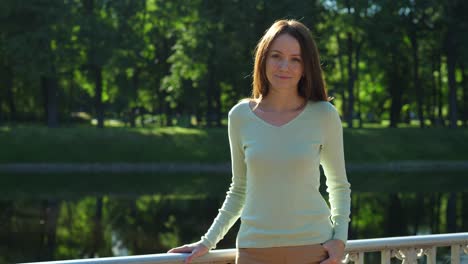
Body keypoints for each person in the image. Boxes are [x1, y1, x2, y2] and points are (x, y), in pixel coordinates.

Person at [168, 19, 351, 264]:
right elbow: (239, 189)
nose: (284, 66)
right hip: (253, 252)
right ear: (263, 58)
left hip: (313, 250)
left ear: (307, 66)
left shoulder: (324, 114)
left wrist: (339, 239)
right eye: (276, 56)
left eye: (295, 59)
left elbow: (338, 185)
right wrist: (207, 242)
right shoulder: (240, 116)